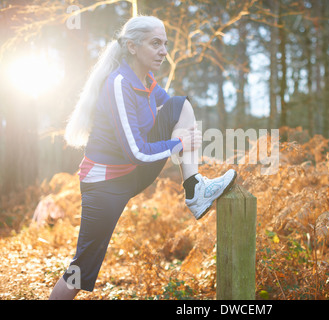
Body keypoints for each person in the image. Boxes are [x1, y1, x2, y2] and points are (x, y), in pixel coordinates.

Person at [49, 15, 236, 299]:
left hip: (131, 173)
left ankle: (195, 189)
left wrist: (184, 139)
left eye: (165, 44)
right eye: (155, 43)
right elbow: (135, 151)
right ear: (133, 47)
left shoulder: (146, 80)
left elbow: (174, 111)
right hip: (104, 184)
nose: (164, 51)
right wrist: (177, 142)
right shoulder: (119, 84)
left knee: (179, 104)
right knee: (81, 268)